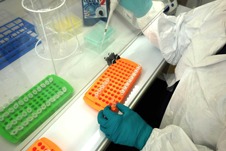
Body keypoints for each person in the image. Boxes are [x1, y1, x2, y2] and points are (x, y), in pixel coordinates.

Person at [98, 0, 226, 150]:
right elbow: (178, 38)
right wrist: (145, 11)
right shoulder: (222, 10)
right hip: (174, 98)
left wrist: (143, 137)